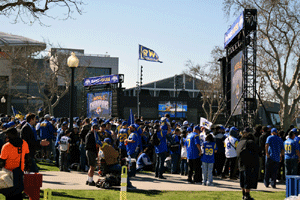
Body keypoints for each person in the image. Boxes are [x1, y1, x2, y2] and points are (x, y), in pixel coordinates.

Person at [0, 127, 30, 200]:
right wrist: (27, 166)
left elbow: (2, 161)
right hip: (19, 171)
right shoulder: (24, 143)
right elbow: (27, 156)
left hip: (8, 173)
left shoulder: (7, 146)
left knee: (9, 193)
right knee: (18, 193)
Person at [236, 128, 259, 200]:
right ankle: (247, 195)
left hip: (241, 163)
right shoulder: (251, 142)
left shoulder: (241, 142)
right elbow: (257, 151)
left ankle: (243, 195)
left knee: (242, 180)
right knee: (247, 180)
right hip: (248, 164)